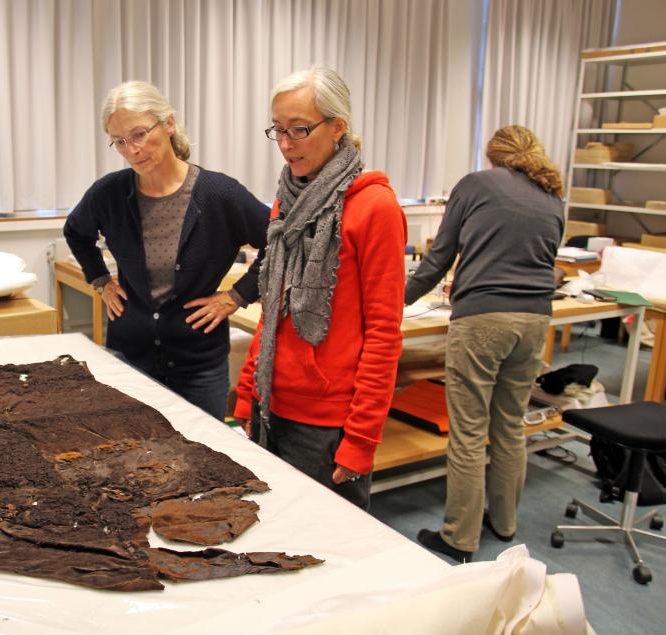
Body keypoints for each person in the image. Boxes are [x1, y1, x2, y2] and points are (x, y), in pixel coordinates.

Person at [234, 66, 406, 510]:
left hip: (327, 426)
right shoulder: (285, 200)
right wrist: (248, 390)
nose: (287, 144)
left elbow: (385, 334)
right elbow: (273, 308)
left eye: (300, 129)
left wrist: (362, 438)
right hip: (271, 406)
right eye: (279, 130)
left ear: (338, 127)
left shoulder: (375, 208)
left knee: (329, 556)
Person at [404, 125, 565, 563]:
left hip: (484, 319)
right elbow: (547, 263)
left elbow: (440, 256)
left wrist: (399, 298)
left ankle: (459, 538)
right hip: (535, 320)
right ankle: (505, 522)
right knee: (510, 424)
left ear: (493, 155)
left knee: (470, 432)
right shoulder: (553, 197)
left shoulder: (476, 184)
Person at [64, 81, 269, 421]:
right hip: (129, 359)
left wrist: (237, 295)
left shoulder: (219, 194)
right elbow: (76, 232)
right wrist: (100, 280)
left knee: (205, 459)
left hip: (198, 365)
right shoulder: (109, 193)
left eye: (140, 134)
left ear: (169, 124)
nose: (131, 149)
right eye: (119, 141)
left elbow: (280, 243)